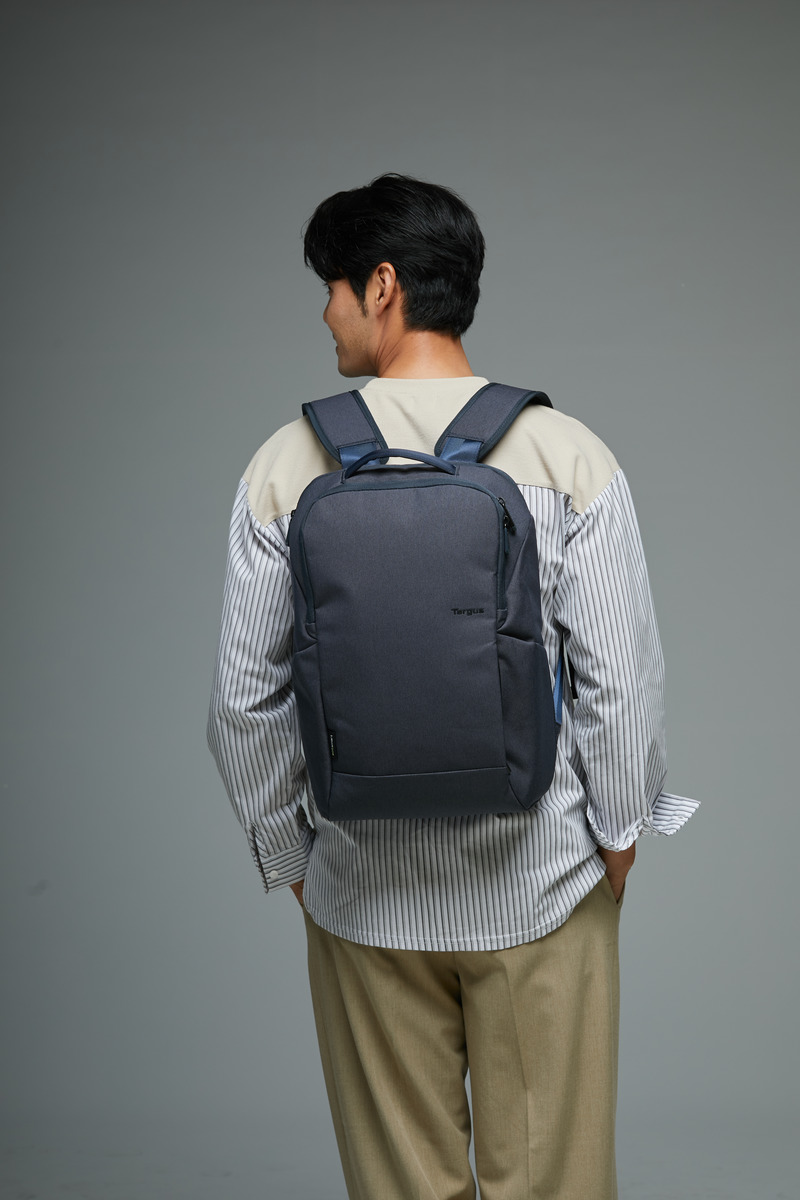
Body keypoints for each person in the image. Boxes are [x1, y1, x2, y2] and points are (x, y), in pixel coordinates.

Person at [207, 173, 698, 1200]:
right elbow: (619, 679)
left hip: (362, 899)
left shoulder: (283, 466)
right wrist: (613, 842)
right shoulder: (566, 455)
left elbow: (244, 703)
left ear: (381, 286)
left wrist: (295, 861)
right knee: (556, 1185)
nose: (325, 314)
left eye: (332, 288)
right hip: (542, 889)